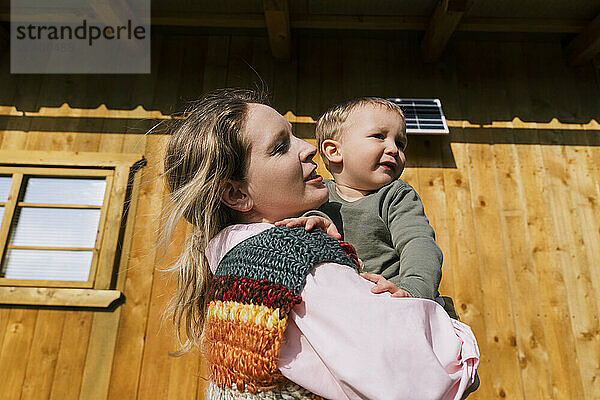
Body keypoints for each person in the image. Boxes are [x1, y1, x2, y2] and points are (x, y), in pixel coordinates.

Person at [162, 88, 479, 400]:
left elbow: (419, 245)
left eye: (400, 141)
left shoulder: (394, 195)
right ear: (237, 194)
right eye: (281, 146)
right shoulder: (292, 254)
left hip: (402, 294)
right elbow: (418, 381)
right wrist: (455, 336)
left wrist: (414, 291)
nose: (307, 148)